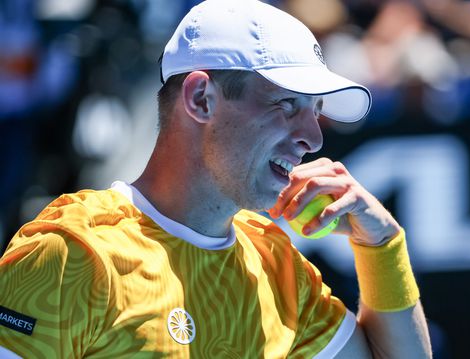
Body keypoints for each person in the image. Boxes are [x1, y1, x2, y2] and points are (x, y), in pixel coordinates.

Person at [0, 0, 432, 357]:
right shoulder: (70, 255)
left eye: (315, 111)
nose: (313, 138)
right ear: (201, 99)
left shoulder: (278, 267)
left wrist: (382, 243)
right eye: (286, 105)